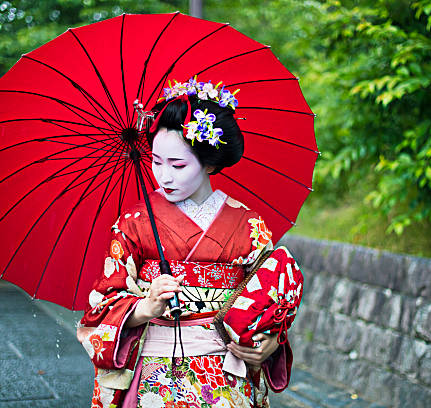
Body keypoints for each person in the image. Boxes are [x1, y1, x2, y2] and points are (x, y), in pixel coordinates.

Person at [76, 79, 301, 408]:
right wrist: (143, 308)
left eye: (178, 165)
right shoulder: (133, 224)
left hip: (227, 372)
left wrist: (269, 342)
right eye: (156, 162)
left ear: (210, 163)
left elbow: (268, 300)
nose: (163, 176)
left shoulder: (248, 224)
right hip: (154, 372)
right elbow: (102, 304)